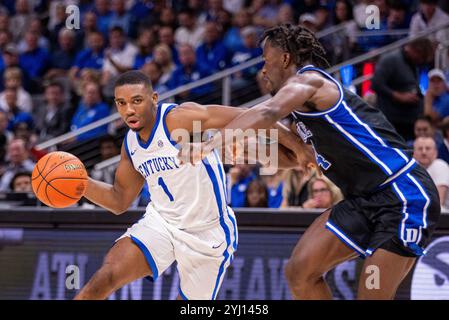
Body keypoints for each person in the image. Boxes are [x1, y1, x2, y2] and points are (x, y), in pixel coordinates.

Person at [183, 24, 441, 299]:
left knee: (373, 293)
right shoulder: (301, 117)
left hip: (403, 195)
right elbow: (294, 159)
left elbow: (267, 111)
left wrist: (211, 142)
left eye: (265, 60)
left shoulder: (311, 82)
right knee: (300, 272)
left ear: (284, 59)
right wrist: (235, 152)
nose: (263, 70)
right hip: (362, 201)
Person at [75, 70, 304, 300]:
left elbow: (255, 115)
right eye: (121, 103)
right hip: (162, 223)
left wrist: (297, 146)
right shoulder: (130, 145)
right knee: (103, 279)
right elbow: (119, 200)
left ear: (154, 98)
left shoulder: (179, 119)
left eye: (136, 101)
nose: (129, 110)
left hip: (208, 233)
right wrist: (80, 183)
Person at [414, 136, 449, 209]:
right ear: (413, 153)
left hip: (443, 215)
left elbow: (438, 201)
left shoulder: (440, 165)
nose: (424, 152)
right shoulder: (412, 169)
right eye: (420, 149)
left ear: (435, 152)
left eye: (428, 148)